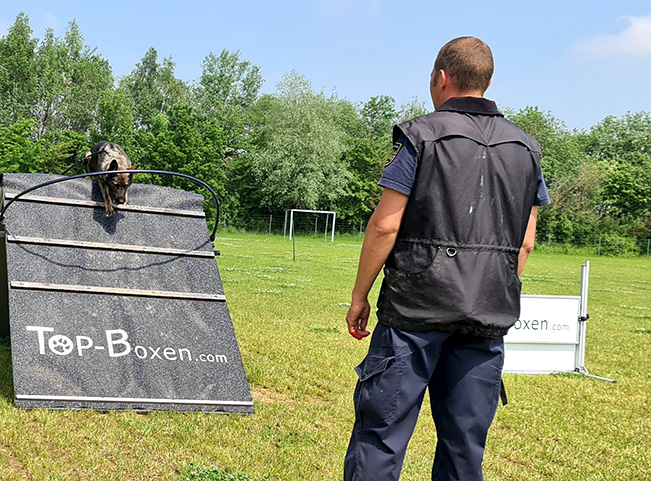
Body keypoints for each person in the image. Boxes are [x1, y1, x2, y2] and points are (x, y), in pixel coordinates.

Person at [343, 36, 550, 481]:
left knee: (381, 437)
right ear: (488, 81)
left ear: (441, 78)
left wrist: (360, 295)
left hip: (414, 312)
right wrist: (490, 287)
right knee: (463, 450)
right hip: (486, 313)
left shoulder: (419, 135)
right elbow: (526, 243)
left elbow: (385, 225)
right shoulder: (527, 148)